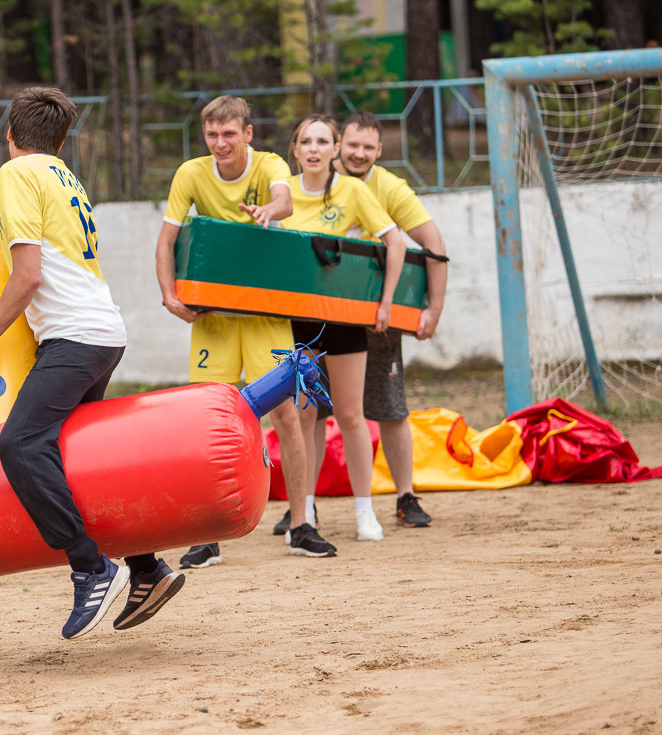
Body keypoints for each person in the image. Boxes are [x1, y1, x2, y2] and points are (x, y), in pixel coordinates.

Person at [0, 87, 184, 640]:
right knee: (79, 460)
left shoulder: (16, 175)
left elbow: (28, 276)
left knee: (19, 444)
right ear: (59, 138)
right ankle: (148, 569)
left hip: (75, 337)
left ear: (9, 135)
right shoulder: (62, 175)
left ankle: (90, 564)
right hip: (103, 331)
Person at [155, 95, 336, 564]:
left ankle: (302, 525)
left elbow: (285, 199)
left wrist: (268, 212)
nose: (220, 143)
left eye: (229, 134)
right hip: (214, 320)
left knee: (287, 418)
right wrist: (169, 295)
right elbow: (167, 239)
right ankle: (207, 535)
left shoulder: (270, 163)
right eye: (212, 135)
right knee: (204, 424)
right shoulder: (190, 173)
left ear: (248, 133)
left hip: (265, 316)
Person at [280, 114, 407, 542]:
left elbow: (395, 241)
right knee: (304, 414)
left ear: (335, 149)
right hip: (297, 322)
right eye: (305, 142)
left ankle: (364, 511)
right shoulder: (282, 196)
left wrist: (385, 302)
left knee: (351, 415)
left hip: (346, 317)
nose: (313, 149)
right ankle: (305, 514)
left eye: (322, 141)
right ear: (294, 150)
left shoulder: (353, 190)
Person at [328, 109, 448, 529]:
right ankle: (301, 509)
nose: (358, 153)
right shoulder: (313, 181)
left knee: (392, 409)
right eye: (351, 145)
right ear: (337, 144)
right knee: (310, 410)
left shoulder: (390, 188)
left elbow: (433, 244)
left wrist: (434, 308)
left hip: (376, 319)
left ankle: (405, 497)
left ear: (379, 150)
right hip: (319, 318)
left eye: (368, 147)